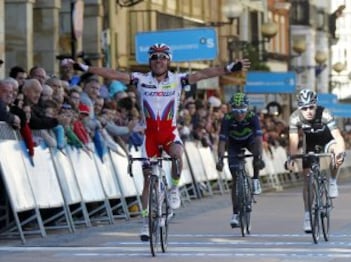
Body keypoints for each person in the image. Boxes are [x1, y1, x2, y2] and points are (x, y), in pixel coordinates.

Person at [62, 43, 250, 241]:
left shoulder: (179, 79)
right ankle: (145, 223)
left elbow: (204, 74)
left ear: (168, 61)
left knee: (178, 156)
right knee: (147, 180)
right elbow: (113, 74)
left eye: (162, 57)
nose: (158, 61)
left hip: (169, 134)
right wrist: (84, 68)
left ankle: (174, 189)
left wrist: (228, 68)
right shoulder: (141, 79)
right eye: (154, 57)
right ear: (150, 62)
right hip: (150, 137)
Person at [284, 89, 346, 233]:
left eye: (311, 107)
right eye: (304, 108)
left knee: (335, 151)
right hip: (310, 144)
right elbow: (293, 141)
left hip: (327, 140)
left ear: (316, 105)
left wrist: (340, 153)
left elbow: (338, 137)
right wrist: (292, 158)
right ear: (299, 108)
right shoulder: (294, 118)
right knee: (307, 180)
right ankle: (307, 215)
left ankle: (332, 180)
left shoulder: (325, 113)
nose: (309, 111)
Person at [215, 92, 265, 228]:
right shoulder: (227, 118)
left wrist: (259, 157)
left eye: (242, 109)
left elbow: (259, 139)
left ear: (247, 108)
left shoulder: (252, 117)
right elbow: (222, 141)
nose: (239, 113)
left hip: (249, 141)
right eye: (235, 110)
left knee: (256, 149)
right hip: (234, 145)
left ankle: (255, 180)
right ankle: (236, 213)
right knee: (236, 179)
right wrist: (220, 159)